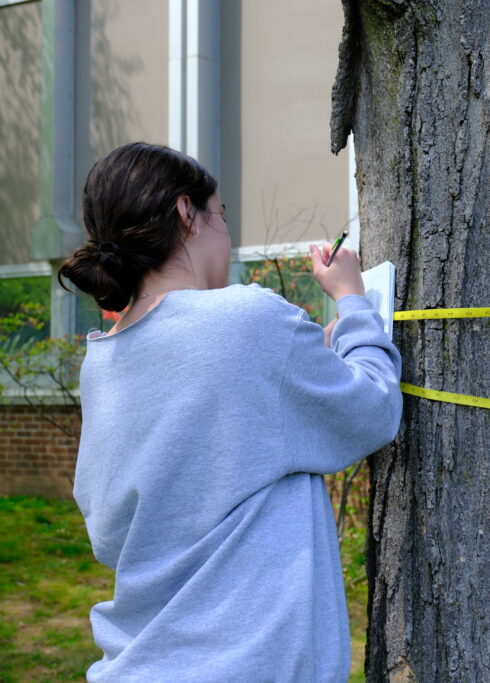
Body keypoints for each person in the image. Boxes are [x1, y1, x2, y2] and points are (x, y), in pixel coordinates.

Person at [59, 142, 402, 681]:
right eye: (221, 214)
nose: (226, 231)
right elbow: (373, 411)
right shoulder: (245, 318)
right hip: (246, 664)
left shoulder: (102, 359)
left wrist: (315, 361)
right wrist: (354, 304)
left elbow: (109, 531)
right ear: (185, 214)